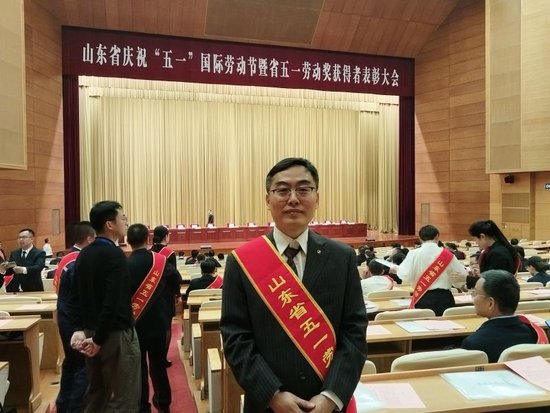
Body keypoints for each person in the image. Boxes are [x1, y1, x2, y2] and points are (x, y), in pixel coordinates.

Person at [221, 157, 367, 413]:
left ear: (317, 198)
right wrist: (273, 395)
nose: (293, 199)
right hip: (267, 407)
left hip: (329, 406)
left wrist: (331, 396)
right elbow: (236, 338)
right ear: (267, 199)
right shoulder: (241, 262)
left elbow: (354, 332)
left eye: (303, 189)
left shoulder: (341, 257)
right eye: (282, 190)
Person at [70, 201, 141, 412]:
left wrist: (80, 329)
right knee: (124, 398)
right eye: (123, 218)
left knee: (96, 394)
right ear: (110, 224)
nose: (126, 222)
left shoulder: (84, 254)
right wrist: (100, 339)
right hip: (114, 335)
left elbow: (75, 296)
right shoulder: (114, 254)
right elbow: (114, 301)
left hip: (91, 333)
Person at [127, 224, 181, 413]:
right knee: (158, 366)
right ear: (147, 239)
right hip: (159, 322)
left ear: (128, 241)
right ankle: (163, 403)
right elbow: (176, 279)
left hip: (135, 324)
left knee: (139, 369)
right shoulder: (161, 261)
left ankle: (143, 406)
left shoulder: (124, 265)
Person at [55, 221, 96, 413]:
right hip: (75, 322)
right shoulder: (79, 262)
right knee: (82, 367)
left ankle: (63, 404)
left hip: (64, 317)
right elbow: (80, 298)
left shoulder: (66, 259)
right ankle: (75, 408)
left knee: (70, 364)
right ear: (89, 239)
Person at [462, 270, 548, 362]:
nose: (473, 298)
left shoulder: (474, 343)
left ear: (490, 303)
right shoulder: (534, 333)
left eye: (475, 293)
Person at [397, 225, 468, 316]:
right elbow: (460, 278)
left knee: (423, 323)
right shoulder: (448, 255)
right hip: (445, 298)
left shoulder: (413, 254)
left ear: (420, 238)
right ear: (437, 236)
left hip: (423, 297)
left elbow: (405, 276)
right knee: (446, 324)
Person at [150, 225, 182, 368]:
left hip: (150, 294)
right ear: (166, 237)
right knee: (166, 327)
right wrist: (177, 294)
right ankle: (162, 358)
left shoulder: (149, 252)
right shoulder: (169, 254)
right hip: (166, 294)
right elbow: (174, 276)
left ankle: (152, 355)